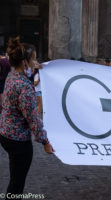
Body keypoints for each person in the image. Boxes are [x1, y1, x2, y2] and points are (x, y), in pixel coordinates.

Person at [0, 37, 54, 197]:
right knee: (17, 183)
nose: (36, 62)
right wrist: (45, 142)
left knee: (14, 177)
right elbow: (33, 120)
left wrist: (35, 68)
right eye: (34, 59)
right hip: (18, 141)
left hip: (5, 134)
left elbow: (27, 75)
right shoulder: (24, 88)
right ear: (24, 63)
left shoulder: (12, 76)